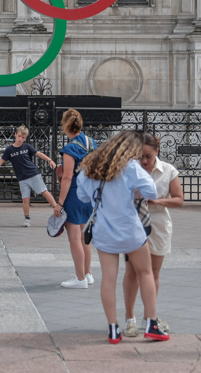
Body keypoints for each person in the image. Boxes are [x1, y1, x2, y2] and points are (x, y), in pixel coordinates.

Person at [76, 131, 169, 344]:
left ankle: (113, 329)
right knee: (145, 273)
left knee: (108, 278)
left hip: (103, 232)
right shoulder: (130, 168)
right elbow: (152, 191)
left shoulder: (89, 169)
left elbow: (82, 196)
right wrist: (135, 191)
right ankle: (152, 324)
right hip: (130, 231)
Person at [122, 132, 183, 337]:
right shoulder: (130, 169)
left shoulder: (167, 170)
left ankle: (149, 317)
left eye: (148, 156)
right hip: (135, 223)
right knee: (132, 271)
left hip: (158, 223)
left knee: (154, 272)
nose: (144, 161)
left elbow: (179, 199)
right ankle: (129, 318)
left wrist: (157, 201)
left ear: (157, 152)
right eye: (140, 156)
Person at [55, 109, 97, 289]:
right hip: (90, 195)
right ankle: (87, 274)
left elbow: (67, 177)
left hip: (74, 195)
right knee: (84, 237)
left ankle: (79, 279)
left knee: (74, 239)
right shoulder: (91, 142)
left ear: (65, 125)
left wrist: (59, 203)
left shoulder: (70, 148)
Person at [0, 125, 59, 227]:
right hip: (22, 178)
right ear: (15, 134)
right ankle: (27, 218)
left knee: (44, 192)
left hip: (33, 173)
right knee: (25, 199)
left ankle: (57, 211)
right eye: (19, 136)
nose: (21, 139)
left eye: (23, 137)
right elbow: (1, 160)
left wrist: (50, 160)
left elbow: (38, 153)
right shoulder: (9, 150)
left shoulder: (27, 146)